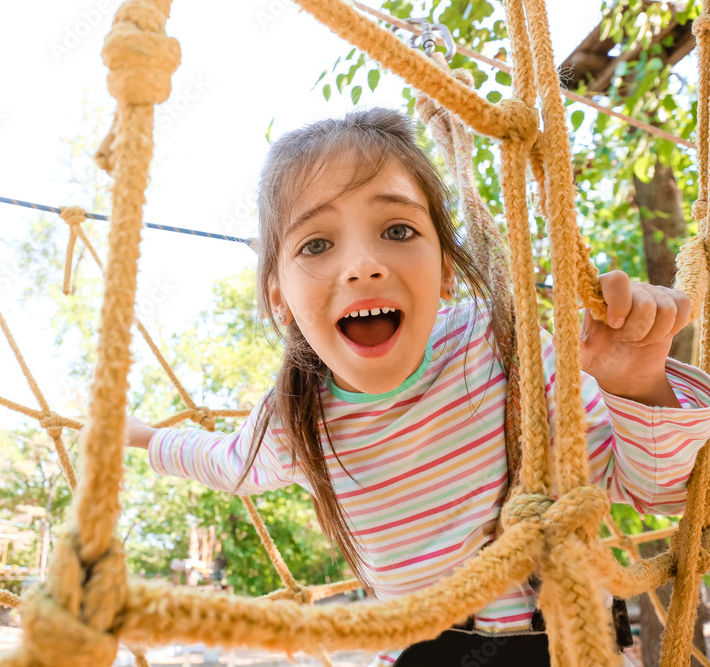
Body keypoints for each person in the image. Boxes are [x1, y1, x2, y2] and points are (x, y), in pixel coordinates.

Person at [125, 107, 710, 665]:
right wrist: (143, 437)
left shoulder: (502, 347)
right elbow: (226, 462)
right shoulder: (295, 415)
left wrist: (638, 386)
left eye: (397, 229)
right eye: (317, 244)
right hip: (423, 649)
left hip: (565, 637)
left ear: (447, 271)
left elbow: (657, 491)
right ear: (278, 295)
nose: (362, 265)